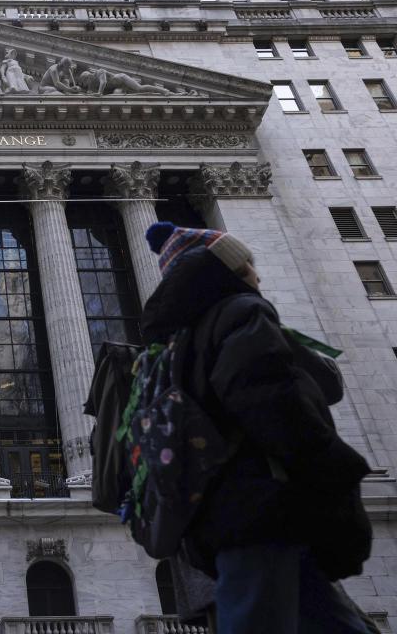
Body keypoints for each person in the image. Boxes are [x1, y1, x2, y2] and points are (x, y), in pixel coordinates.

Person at [141, 222, 372, 634]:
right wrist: (333, 466)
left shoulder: (178, 340)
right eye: (248, 263)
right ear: (228, 270)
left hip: (224, 508)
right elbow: (270, 398)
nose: (258, 273)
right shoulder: (240, 313)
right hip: (259, 503)